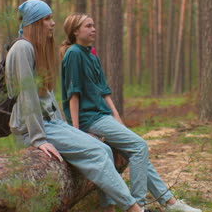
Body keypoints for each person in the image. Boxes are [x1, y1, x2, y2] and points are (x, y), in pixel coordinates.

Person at [5, 0, 143, 212]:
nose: (52, 23)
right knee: (98, 153)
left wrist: (66, 127)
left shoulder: (35, 49)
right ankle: (135, 209)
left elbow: (47, 98)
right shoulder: (22, 48)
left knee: (105, 149)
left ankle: (108, 209)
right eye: (47, 19)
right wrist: (38, 139)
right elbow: (27, 97)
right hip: (33, 128)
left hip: (51, 124)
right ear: (35, 23)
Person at [60, 13, 202, 212]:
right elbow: (72, 94)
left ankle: (169, 202)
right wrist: (76, 132)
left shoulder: (91, 52)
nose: (93, 29)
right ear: (75, 31)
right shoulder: (74, 53)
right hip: (89, 118)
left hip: (102, 116)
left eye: (94, 25)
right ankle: (139, 205)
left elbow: (103, 89)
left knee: (135, 153)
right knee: (139, 146)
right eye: (88, 26)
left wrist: (116, 117)